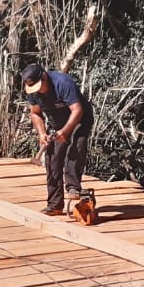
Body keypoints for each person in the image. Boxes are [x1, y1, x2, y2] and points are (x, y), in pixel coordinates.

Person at [21, 63, 94, 217]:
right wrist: (42, 133)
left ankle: (73, 187)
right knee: (52, 157)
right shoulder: (33, 92)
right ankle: (55, 205)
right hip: (58, 122)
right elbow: (35, 113)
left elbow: (77, 110)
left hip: (80, 118)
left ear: (45, 77)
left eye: (39, 87)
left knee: (76, 146)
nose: (38, 91)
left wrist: (66, 132)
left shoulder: (62, 83)